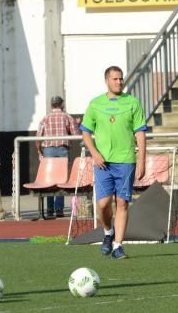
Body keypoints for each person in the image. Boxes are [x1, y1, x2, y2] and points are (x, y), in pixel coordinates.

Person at [80, 66, 147, 259]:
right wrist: (94, 153)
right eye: (115, 79)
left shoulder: (132, 102)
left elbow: (140, 133)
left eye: (121, 79)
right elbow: (85, 132)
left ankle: (118, 246)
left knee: (122, 203)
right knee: (103, 204)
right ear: (107, 81)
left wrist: (142, 160)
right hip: (103, 162)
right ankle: (108, 233)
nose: (119, 82)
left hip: (126, 160)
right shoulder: (95, 104)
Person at [36, 95, 78, 218]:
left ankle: (49, 209)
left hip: (48, 150)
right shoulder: (67, 117)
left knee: (49, 180)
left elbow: (38, 138)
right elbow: (76, 134)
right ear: (62, 104)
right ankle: (59, 209)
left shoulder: (45, 118)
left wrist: (40, 151)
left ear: (51, 105)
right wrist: (76, 124)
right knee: (61, 180)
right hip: (62, 149)